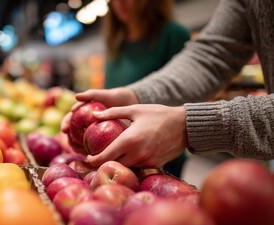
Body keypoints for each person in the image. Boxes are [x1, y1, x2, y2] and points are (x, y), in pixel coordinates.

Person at [62, 0, 274, 169]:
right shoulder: (116, 41)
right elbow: (212, 56)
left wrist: (187, 126)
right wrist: (135, 95)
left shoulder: (170, 34)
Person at [104, 0, 190, 177]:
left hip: (159, 152)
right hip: (115, 148)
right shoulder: (117, 42)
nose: (119, 2)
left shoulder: (173, 35)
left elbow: (187, 91)